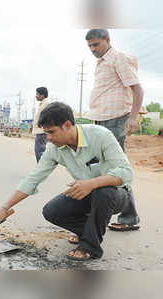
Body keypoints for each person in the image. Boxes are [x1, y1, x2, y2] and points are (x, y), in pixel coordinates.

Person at [0, 102, 134, 261]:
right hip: (85, 193)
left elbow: (126, 173)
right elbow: (33, 179)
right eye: (46, 133)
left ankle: (90, 246)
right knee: (52, 211)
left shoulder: (101, 135)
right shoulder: (54, 150)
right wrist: (4, 208)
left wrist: (92, 183)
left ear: (68, 125)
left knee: (104, 191)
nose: (48, 138)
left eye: (51, 132)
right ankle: (89, 233)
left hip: (116, 195)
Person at [86, 29, 143, 231]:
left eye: (96, 44)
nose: (93, 49)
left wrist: (133, 117)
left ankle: (129, 217)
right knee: (98, 168)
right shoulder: (101, 63)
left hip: (115, 121)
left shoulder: (118, 58)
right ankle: (101, 213)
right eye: (90, 46)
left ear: (107, 40)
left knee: (117, 168)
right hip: (100, 120)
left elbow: (137, 88)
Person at [32, 87, 52, 163]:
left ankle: (41, 170)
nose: (36, 96)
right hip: (40, 131)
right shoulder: (43, 103)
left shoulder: (46, 103)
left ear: (42, 95)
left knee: (39, 151)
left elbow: (46, 117)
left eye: (37, 94)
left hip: (42, 131)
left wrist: (42, 127)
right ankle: (41, 169)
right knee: (39, 151)